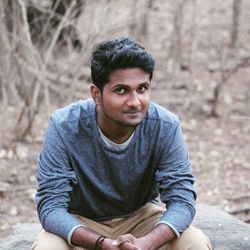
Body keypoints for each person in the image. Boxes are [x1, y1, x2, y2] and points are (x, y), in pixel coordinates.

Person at [32, 36, 212, 250]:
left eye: (142, 89)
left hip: (140, 218)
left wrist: (149, 242)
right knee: (48, 247)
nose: (135, 101)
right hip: (81, 221)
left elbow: (182, 199)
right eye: (121, 90)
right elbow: (51, 206)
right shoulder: (64, 126)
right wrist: (100, 243)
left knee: (194, 242)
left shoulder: (165, 125)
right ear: (97, 94)